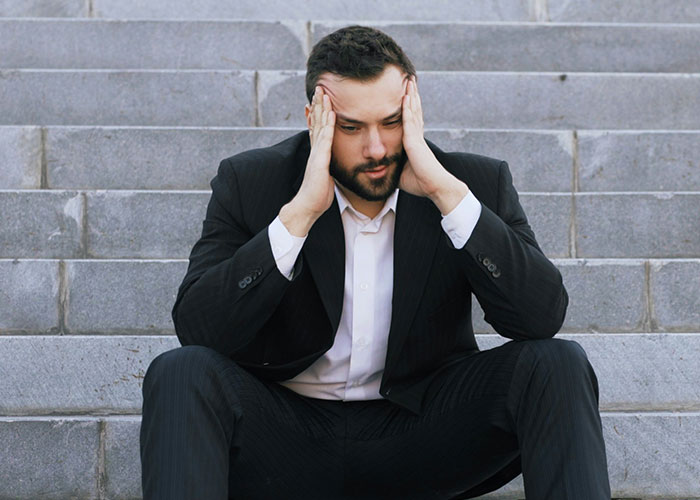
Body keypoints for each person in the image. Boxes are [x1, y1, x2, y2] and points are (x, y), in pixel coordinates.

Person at [140, 25, 611, 499]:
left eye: (391, 122)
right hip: (286, 435)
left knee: (558, 363)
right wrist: (298, 216)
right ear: (315, 119)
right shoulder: (253, 182)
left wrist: (447, 196)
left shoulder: (472, 184)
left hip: (422, 434)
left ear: (414, 109)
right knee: (180, 372)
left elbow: (540, 316)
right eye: (351, 128)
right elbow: (199, 329)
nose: (377, 149)